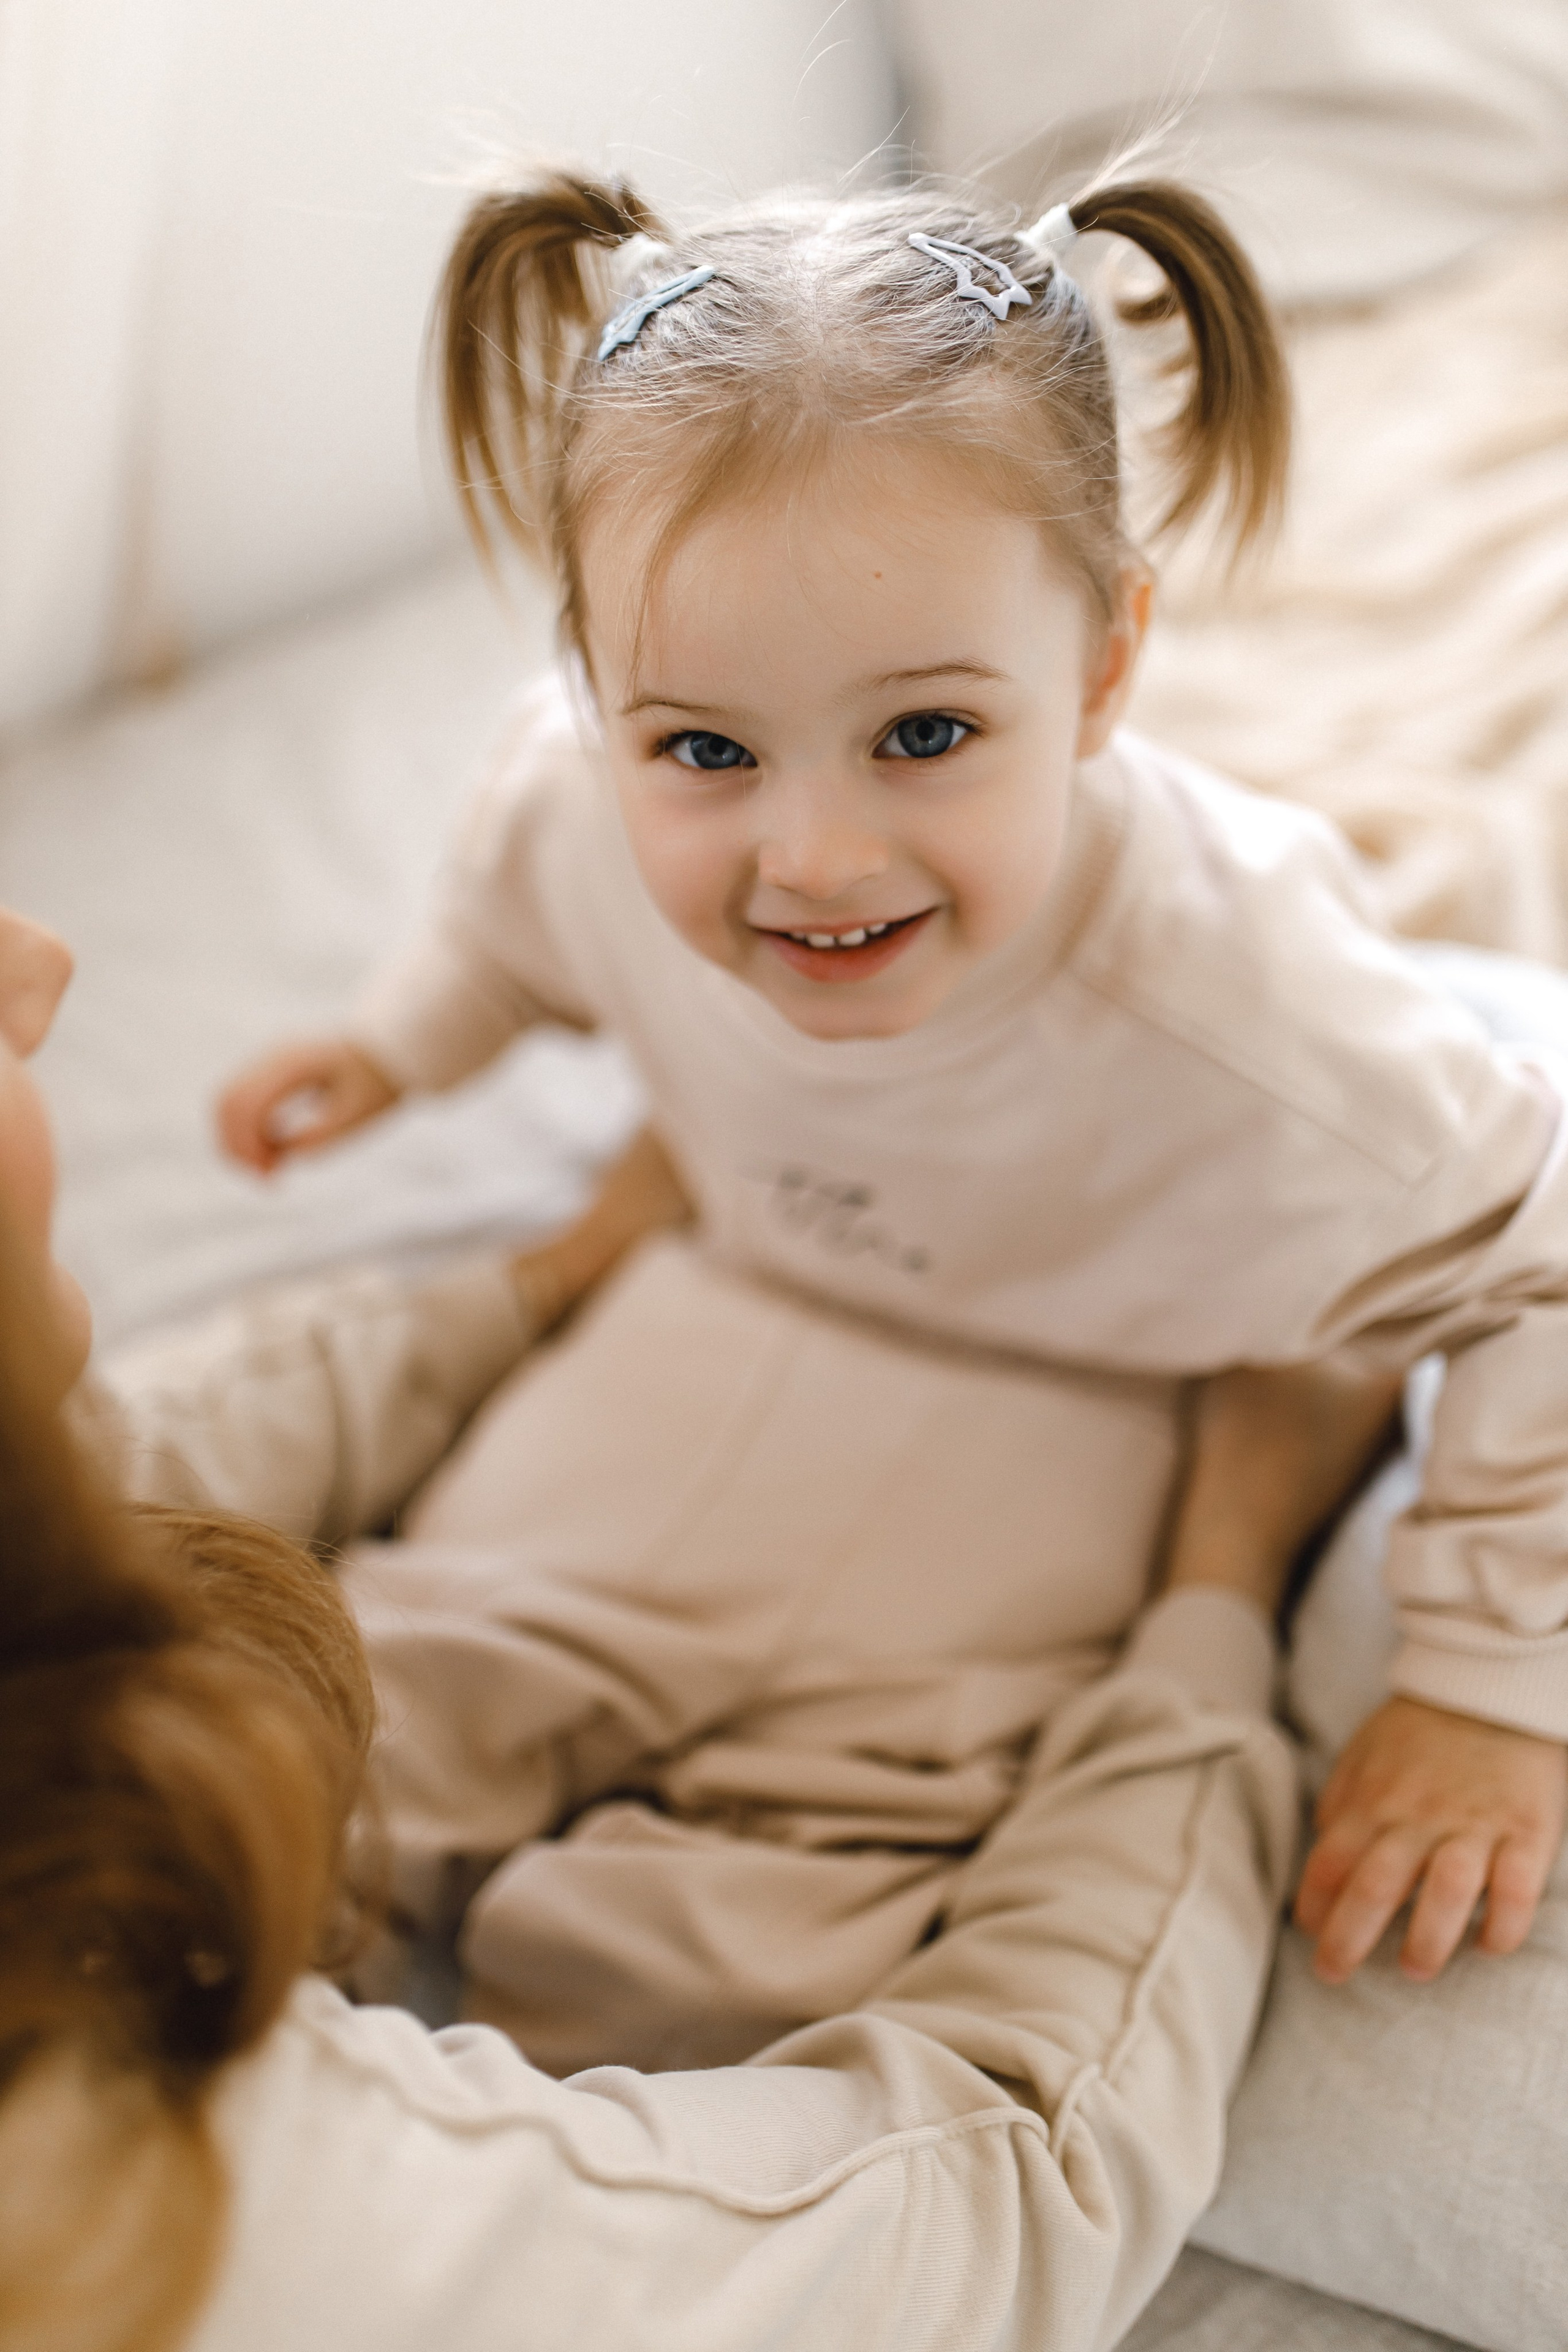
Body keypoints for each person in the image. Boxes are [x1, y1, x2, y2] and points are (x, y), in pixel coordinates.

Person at [217, 166, 1568, 2000]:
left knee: (717, 1971)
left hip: (1086, 1413)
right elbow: (510, 919)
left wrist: (1492, 1686)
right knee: (289, 1777)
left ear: (1103, 669)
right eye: (704, 747)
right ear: (597, 692)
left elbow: (1538, 1255)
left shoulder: (1247, 1007)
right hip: (718, 1313)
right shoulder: (568, 795)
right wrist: (404, 1042)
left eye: (925, 735)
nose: (817, 858)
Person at [0, 891, 1360, 2352]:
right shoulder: (192, 2210)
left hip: (726, 1648)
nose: (38, 958)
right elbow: (980, 2197)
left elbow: (97, 1490)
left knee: (668, 1912)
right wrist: (1223, 1582)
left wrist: (541, 1282)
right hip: (667, 1648)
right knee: (690, 1931)